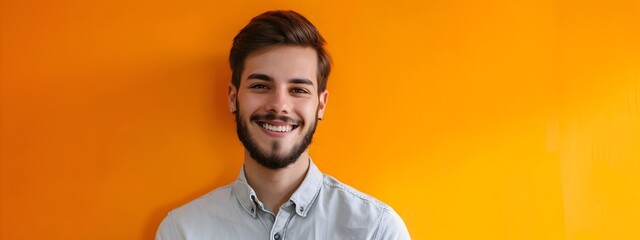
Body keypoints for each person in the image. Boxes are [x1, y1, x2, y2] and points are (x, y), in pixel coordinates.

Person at [156, 10, 410, 240]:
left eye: (298, 89)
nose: (279, 105)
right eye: (261, 86)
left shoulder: (377, 230)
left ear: (321, 105)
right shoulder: (181, 231)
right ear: (234, 98)